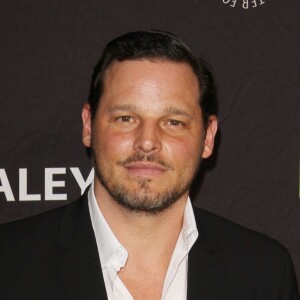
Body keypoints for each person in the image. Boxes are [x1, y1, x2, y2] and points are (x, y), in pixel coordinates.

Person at [0, 30, 298, 300]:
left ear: (208, 138)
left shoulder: (264, 273)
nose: (147, 142)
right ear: (88, 126)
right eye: (126, 118)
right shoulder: (10, 265)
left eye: (173, 122)